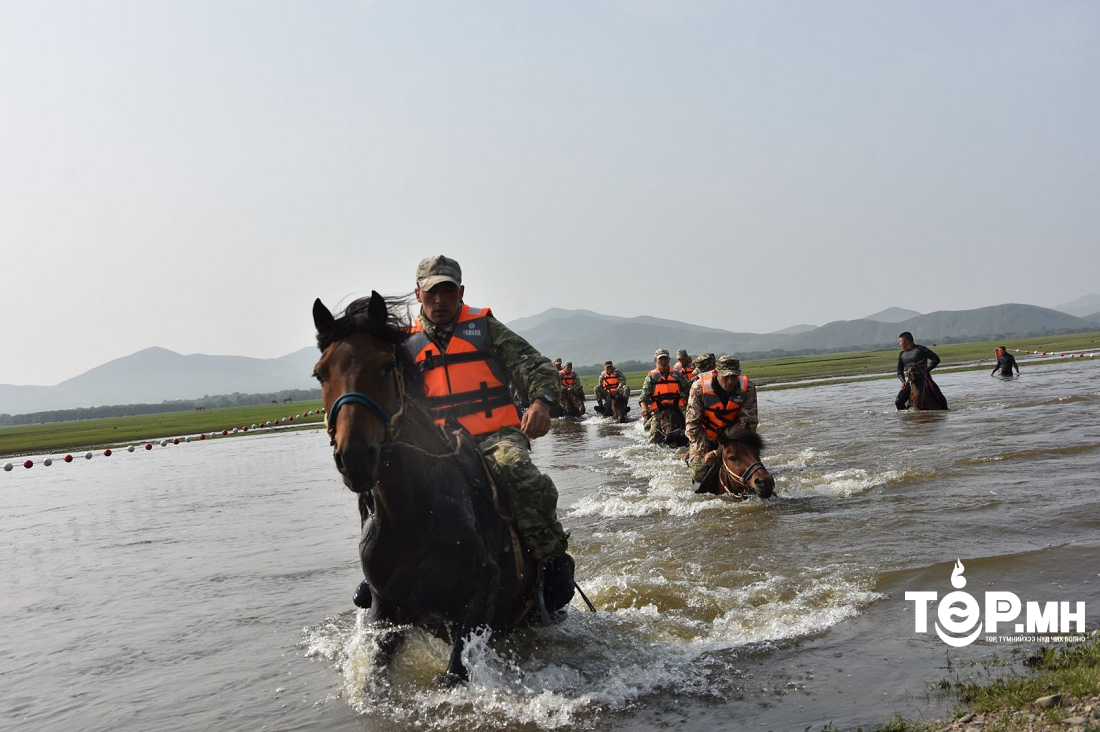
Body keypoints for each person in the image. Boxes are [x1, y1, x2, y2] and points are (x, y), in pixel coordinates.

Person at [355, 255, 573, 613]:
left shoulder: (485, 329)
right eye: (431, 293)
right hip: (431, 443)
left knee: (518, 472)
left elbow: (537, 366)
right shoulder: (403, 344)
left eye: (448, 291)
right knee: (379, 478)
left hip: (493, 435)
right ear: (418, 294)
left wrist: (541, 403)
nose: (439, 300)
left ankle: (551, 558)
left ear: (461, 292)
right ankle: (379, 570)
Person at [685, 354, 759, 490]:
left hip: (735, 439)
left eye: (734, 376)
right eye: (726, 377)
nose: (730, 381)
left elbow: (748, 423)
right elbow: (692, 425)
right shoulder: (698, 388)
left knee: (753, 471)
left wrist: (721, 450)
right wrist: (704, 454)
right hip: (705, 438)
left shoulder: (748, 388)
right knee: (699, 472)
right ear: (715, 373)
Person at [640, 348, 690, 443]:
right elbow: (643, 396)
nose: (663, 361)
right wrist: (644, 408)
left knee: (691, 428)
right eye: (660, 359)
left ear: (669, 360)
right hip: (660, 411)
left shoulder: (677, 375)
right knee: (654, 436)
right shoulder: (651, 377)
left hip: (677, 409)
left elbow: (689, 390)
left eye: (665, 359)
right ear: (655, 360)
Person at [895, 331, 944, 410]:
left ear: (906, 341)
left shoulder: (921, 349)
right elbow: (899, 370)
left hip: (925, 379)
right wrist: (903, 381)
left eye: (900, 341)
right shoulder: (902, 354)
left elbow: (936, 359)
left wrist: (926, 371)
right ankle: (907, 415)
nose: (900, 344)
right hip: (910, 381)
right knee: (898, 402)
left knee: (942, 400)